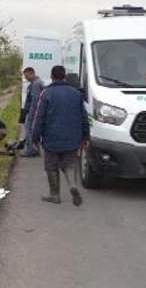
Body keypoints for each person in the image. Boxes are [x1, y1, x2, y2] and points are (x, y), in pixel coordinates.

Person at [32, 65, 89, 205]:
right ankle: (73, 186)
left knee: (51, 166)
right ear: (64, 76)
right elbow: (84, 117)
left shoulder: (46, 93)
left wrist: (35, 137)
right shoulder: (76, 94)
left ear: (52, 76)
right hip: (72, 138)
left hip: (52, 137)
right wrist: (85, 137)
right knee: (69, 164)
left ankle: (54, 194)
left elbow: (39, 117)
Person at [21, 67, 45, 157]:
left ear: (32, 74)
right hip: (35, 112)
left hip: (32, 112)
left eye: (27, 75)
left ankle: (30, 151)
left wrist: (31, 114)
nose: (26, 78)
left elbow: (35, 101)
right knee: (34, 132)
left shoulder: (35, 85)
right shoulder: (38, 83)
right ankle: (36, 150)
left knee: (29, 132)